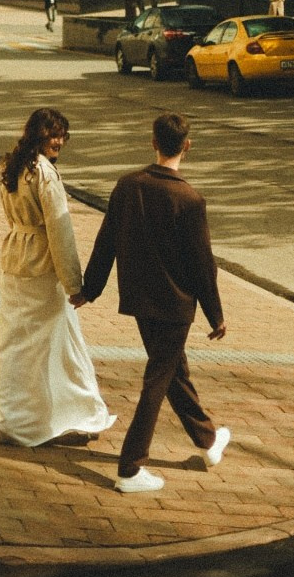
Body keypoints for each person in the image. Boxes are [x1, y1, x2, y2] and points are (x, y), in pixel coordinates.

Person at [77, 111, 229, 493]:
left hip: (140, 300)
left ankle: (208, 440)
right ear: (187, 146)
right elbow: (202, 264)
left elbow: (105, 241)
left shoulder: (128, 186)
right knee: (158, 380)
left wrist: (90, 289)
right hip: (176, 305)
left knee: (174, 372)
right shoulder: (190, 199)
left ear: (153, 142)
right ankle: (130, 468)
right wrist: (216, 315)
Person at [0, 107, 115, 448]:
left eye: (62, 135)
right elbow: (60, 231)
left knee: (16, 344)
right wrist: (75, 285)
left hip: (16, 261)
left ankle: (16, 418)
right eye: (53, 135)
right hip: (42, 264)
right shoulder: (44, 173)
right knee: (60, 344)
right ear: (39, 136)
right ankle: (78, 413)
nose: (59, 141)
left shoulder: (13, 168)